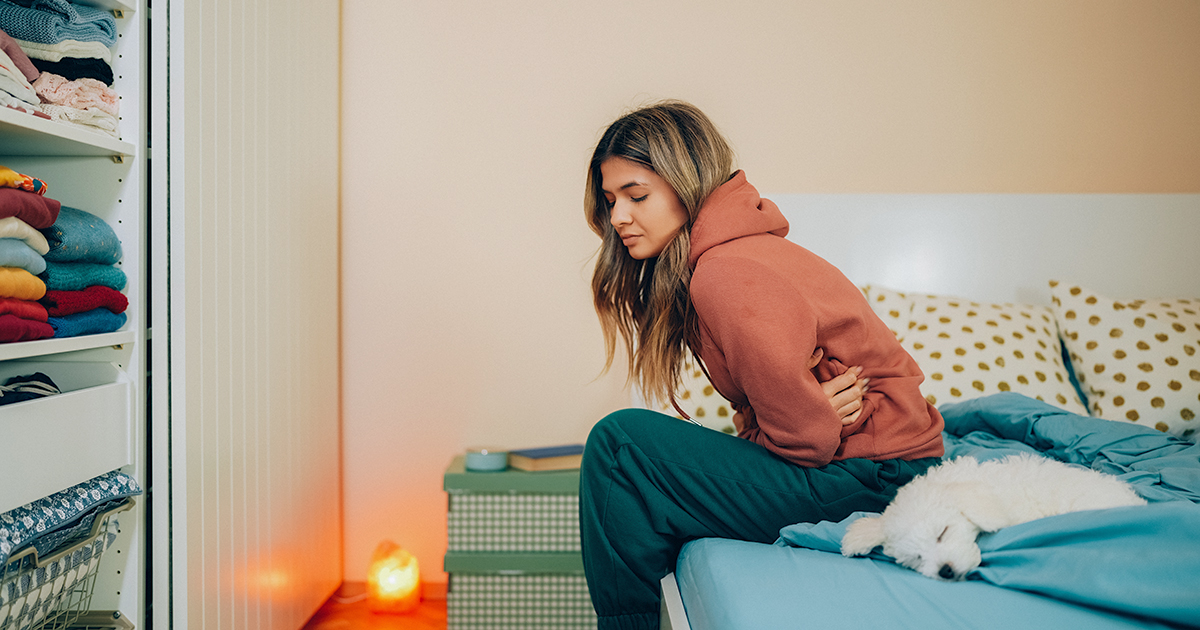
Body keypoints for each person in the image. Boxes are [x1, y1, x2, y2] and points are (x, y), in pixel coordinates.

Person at [579, 100, 945, 630]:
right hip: (880, 464)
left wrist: (803, 419)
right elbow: (794, 424)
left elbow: (804, 441)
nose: (618, 218)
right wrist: (798, 418)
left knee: (619, 449)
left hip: (877, 474)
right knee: (636, 459)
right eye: (611, 200)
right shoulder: (735, 255)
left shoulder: (726, 271)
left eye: (637, 196)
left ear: (688, 184)